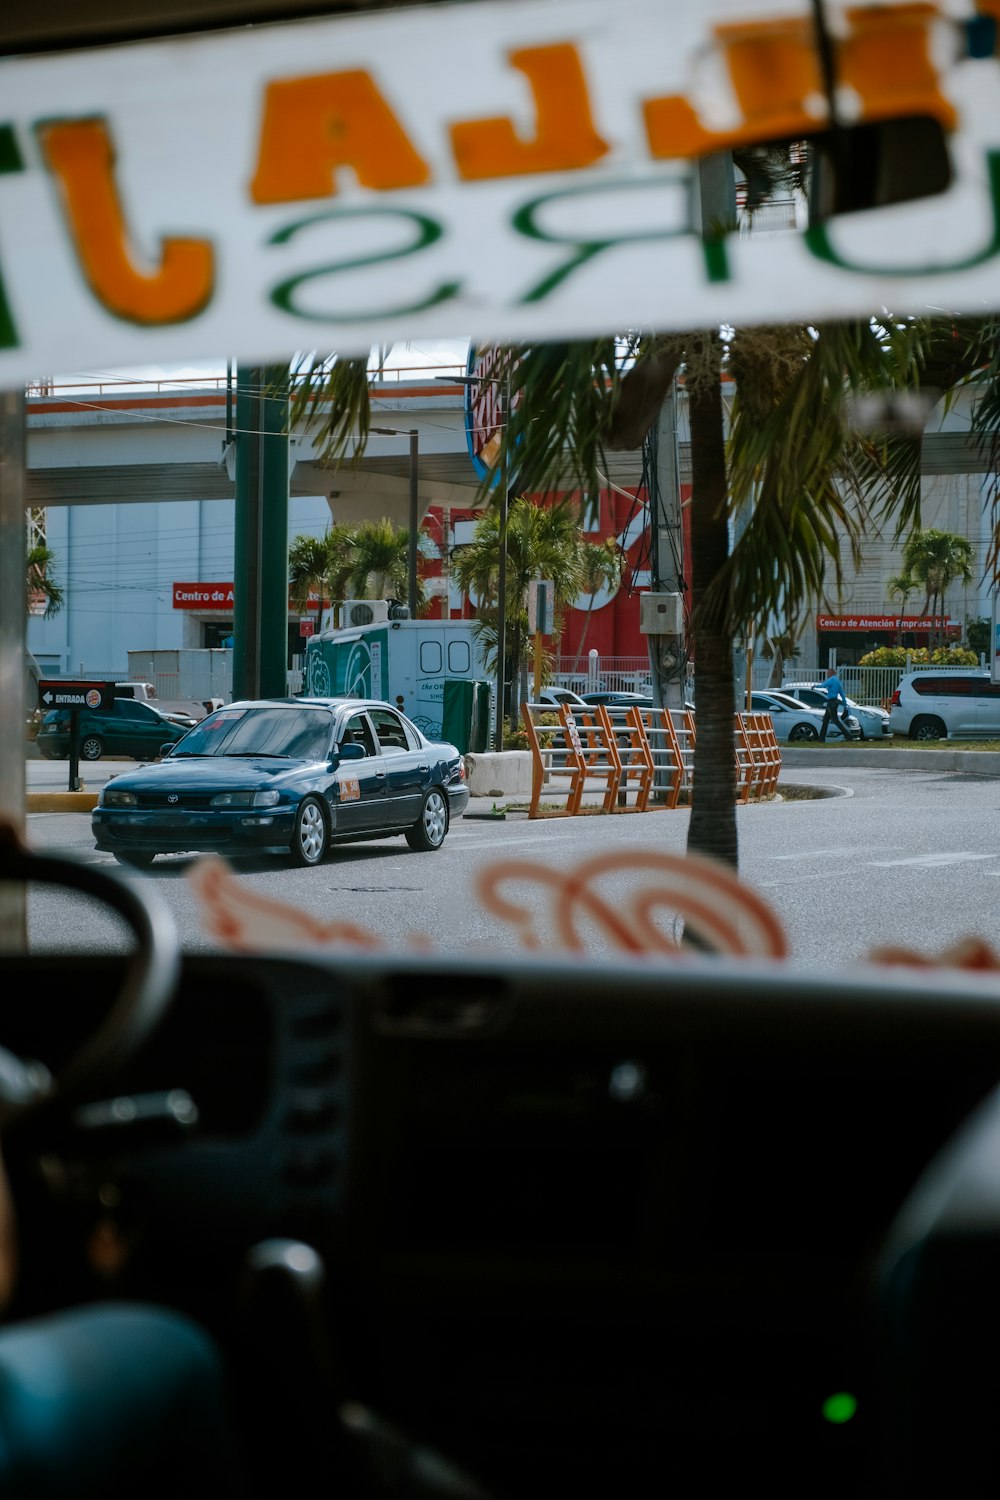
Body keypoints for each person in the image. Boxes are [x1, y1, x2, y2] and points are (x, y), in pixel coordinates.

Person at [819, 672, 850, 741]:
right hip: (834, 702)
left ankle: (848, 735)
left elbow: (824, 685)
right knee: (825, 720)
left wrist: (815, 686)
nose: (827, 674)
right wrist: (844, 703)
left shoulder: (832, 679)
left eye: (828, 673)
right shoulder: (838, 681)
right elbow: (842, 693)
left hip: (831, 702)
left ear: (831, 673)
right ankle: (821, 738)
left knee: (835, 720)